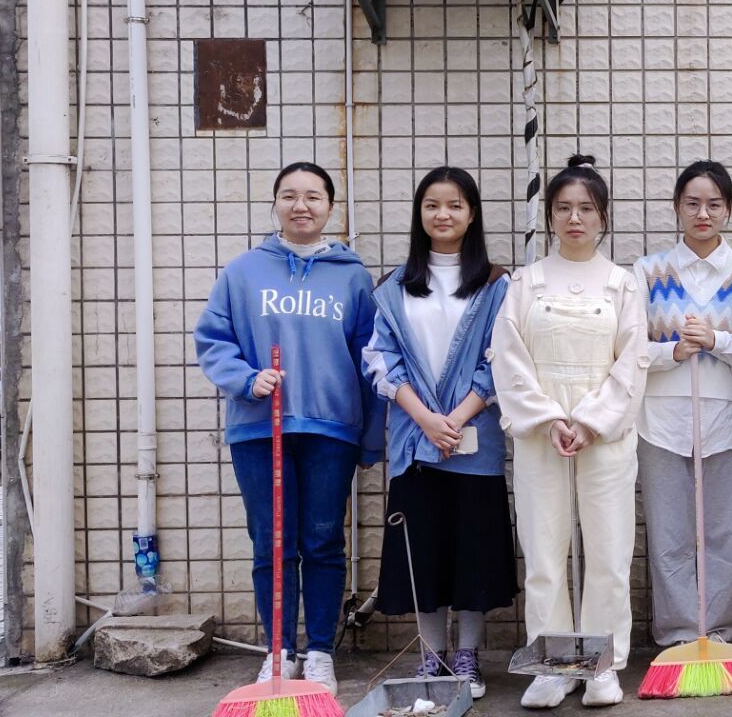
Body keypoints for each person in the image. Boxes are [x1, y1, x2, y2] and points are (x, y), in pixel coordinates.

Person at [194, 161, 380, 695]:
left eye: (314, 196)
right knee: (271, 544)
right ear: (275, 203)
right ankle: (278, 652)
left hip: (330, 429)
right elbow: (213, 339)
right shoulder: (242, 272)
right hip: (258, 428)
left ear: (330, 206)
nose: (302, 205)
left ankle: (319, 651)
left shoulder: (352, 276)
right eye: (290, 195)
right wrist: (245, 379)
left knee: (322, 540)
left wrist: (370, 437)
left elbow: (370, 358)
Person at [491, 155, 650, 708]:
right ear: (550, 216)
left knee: (608, 550)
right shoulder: (525, 282)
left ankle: (602, 664)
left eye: (586, 208)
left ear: (603, 216)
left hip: (604, 434)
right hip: (542, 432)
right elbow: (508, 357)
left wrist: (590, 420)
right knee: (543, 551)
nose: (574, 218)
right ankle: (554, 664)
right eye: (563, 208)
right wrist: (548, 418)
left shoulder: (622, 284)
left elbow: (633, 361)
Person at [361, 167, 516, 698]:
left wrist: (460, 415)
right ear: (419, 214)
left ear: (472, 215)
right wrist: (427, 418)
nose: (442, 214)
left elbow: (502, 358)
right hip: (415, 438)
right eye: (432, 205)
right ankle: (431, 656)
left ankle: (467, 657)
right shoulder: (394, 286)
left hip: (476, 440)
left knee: (472, 549)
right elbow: (380, 359)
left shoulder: (496, 285)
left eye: (454, 205)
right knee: (422, 549)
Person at [632, 160, 732, 647]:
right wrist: (672, 352)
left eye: (714, 204)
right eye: (692, 203)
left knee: (724, 535)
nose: (703, 213)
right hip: (660, 421)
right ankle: (678, 635)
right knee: (669, 534)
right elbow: (627, 349)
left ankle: (723, 632)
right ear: (677, 207)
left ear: (728, 209)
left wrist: (716, 341)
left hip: (726, 419)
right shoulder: (647, 272)